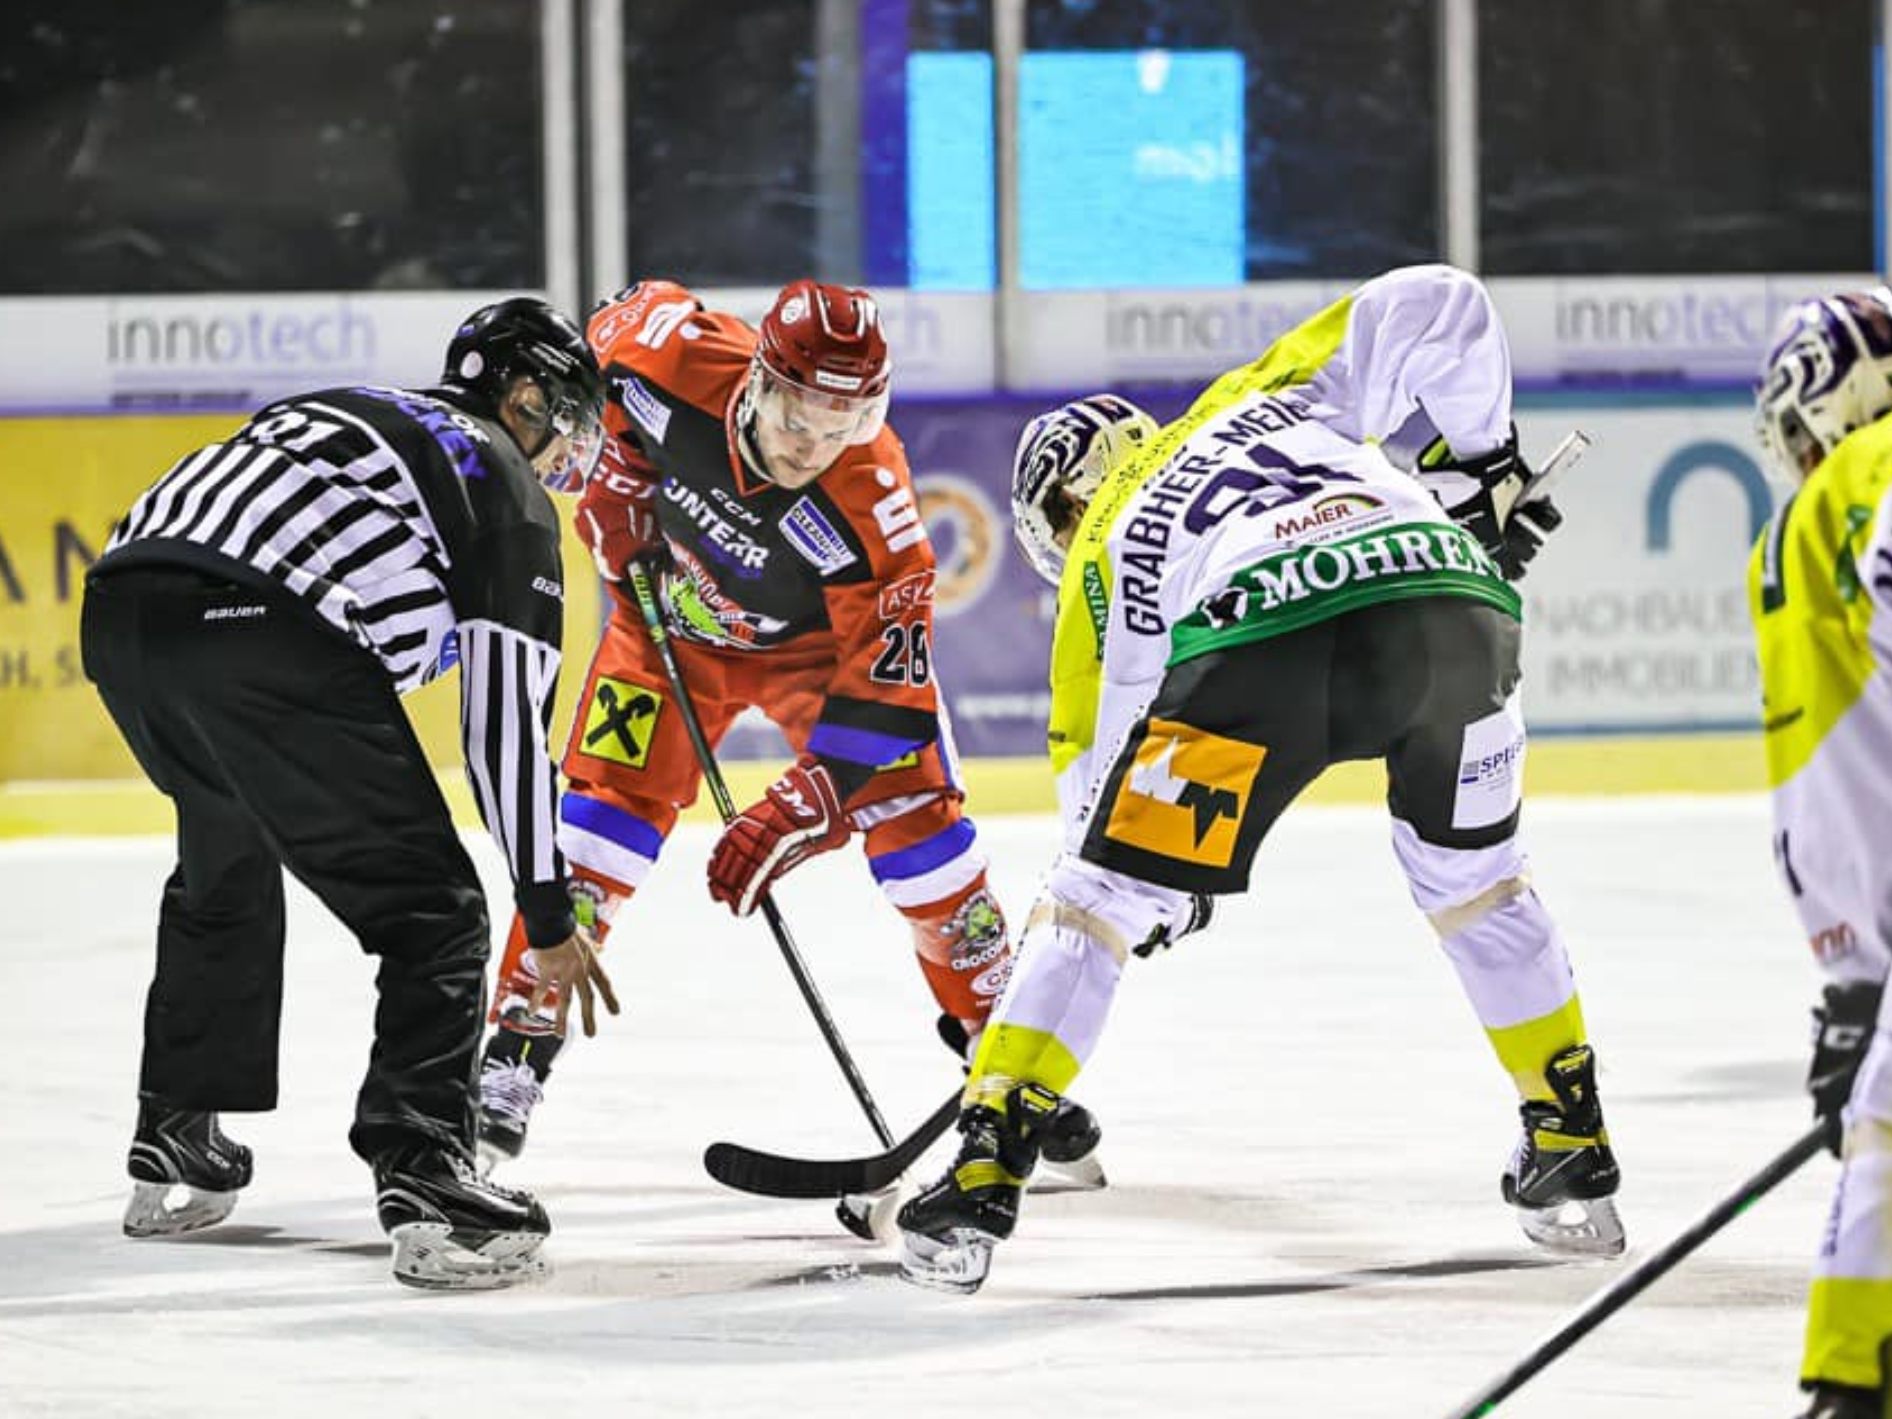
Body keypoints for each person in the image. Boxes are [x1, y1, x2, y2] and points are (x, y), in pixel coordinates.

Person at [895, 263, 1625, 1293]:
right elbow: (1440, 302)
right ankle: (1568, 1140)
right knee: (1477, 881)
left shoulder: (1102, 549)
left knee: (1092, 897)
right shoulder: (1256, 395)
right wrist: (1477, 474)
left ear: (1065, 499)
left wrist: (1147, 912)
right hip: (1454, 599)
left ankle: (985, 1158)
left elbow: (1098, 852)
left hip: (1264, 633)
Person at [474, 278, 1098, 1228]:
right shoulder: (671, 355)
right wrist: (617, 479)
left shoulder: (877, 502)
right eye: (802, 412)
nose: (814, 441)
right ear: (760, 380)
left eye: (845, 418)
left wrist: (805, 801)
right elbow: (600, 339)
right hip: (670, 627)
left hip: (822, 662)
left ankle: (1003, 1058)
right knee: (596, 828)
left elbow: (890, 689)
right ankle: (518, 1041)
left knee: (924, 838)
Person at [81, 297, 620, 1291]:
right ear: (527, 396)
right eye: (570, 426)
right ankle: (426, 1180)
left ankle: (176, 1133)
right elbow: (500, 729)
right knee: (435, 911)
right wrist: (546, 912)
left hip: (121, 614)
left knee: (226, 857)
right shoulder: (499, 481)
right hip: (264, 629)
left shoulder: (347, 408)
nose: (568, 460)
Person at [1747, 287, 1892, 1419]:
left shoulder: (1855, 481)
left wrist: (1858, 975)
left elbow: (1831, 795)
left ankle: (1852, 1389)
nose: (1793, 455)